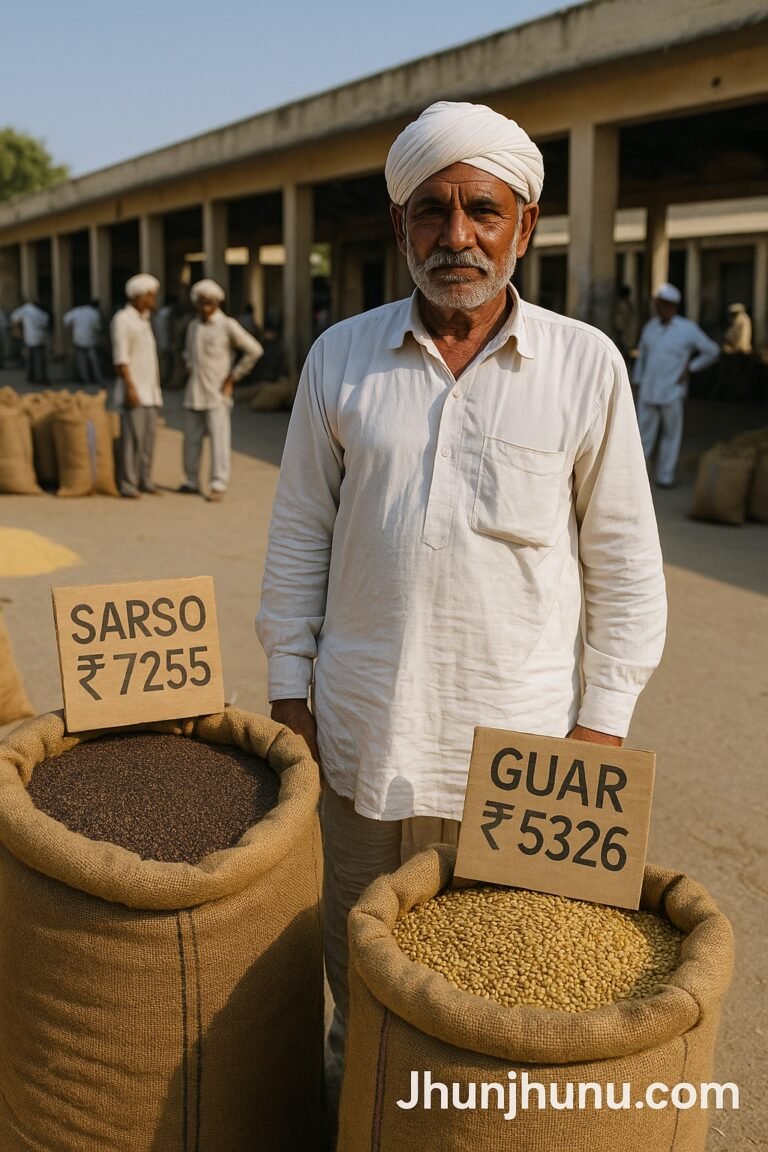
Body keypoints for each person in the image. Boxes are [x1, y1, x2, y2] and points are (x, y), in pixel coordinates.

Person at [255, 100, 668, 1090]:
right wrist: (288, 699)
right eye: (431, 212)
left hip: (519, 764)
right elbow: (300, 537)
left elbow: (624, 562)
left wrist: (599, 729)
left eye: (482, 210)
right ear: (401, 225)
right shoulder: (341, 359)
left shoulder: (585, 365)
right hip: (363, 743)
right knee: (358, 996)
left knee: (492, 1016)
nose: (458, 237)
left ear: (525, 223)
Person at [179, 279, 263, 502]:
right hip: (194, 391)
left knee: (219, 440)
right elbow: (188, 354)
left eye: (208, 303)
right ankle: (190, 480)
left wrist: (233, 377)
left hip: (218, 393)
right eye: (200, 303)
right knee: (191, 439)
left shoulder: (227, 325)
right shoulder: (193, 325)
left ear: (216, 303)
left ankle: (218, 483)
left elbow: (254, 350)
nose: (204, 307)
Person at [634, 283, 719, 488]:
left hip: (672, 390)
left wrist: (690, 367)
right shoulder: (651, 327)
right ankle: (638, 478)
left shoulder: (687, 329)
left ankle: (665, 477)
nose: (660, 310)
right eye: (658, 305)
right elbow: (642, 357)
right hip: (648, 390)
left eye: (664, 306)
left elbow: (712, 351)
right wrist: (636, 382)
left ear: (673, 307)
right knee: (641, 437)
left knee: (671, 436)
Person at [111, 274, 163, 498]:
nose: (153, 299)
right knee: (132, 440)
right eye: (150, 295)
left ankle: (145, 479)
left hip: (151, 392)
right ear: (138, 296)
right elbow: (121, 359)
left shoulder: (145, 320)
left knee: (148, 439)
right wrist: (130, 388)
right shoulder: (123, 320)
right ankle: (128, 483)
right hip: (134, 390)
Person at [63, 299, 103, 384]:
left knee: (82, 362)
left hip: (78, 339)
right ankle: (97, 378)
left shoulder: (77, 311)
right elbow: (97, 327)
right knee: (94, 361)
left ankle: (85, 379)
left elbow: (65, 320)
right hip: (90, 340)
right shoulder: (94, 313)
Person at [11, 299, 50, 384]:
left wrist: (18, 328)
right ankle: (41, 378)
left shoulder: (27, 309)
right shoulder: (43, 312)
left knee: (32, 360)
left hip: (30, 338)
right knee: (40, 360)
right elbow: (45, 324)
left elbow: (14, 317)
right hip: (41, 338)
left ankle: (33, 377)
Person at [612, 283, 638, 365]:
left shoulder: (628, 304)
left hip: (628, 335)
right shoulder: (621, 305)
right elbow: (618, 321)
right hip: (624, 335)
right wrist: (619, 332)